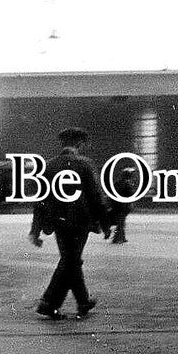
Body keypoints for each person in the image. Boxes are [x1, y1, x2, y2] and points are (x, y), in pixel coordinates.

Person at [27, 127, 111, 320]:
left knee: (70, 259)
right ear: (80, 144)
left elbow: (41, 200)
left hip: (57, 222)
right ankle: (48, 303)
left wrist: (35, 230)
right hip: (81, 222)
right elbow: (96, 197)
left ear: (62, 143)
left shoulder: (48, 166)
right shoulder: (85, 164)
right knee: (71, 260)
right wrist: (105, 224)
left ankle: (82, 302)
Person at [108, 165, 138, 243]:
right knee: (121, 222)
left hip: (117, 205)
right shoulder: (127, 183)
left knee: (121, 221)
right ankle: (117, 238)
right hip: (123, 206)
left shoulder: (117, 183)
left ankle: (121, 237)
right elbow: (131, 194)